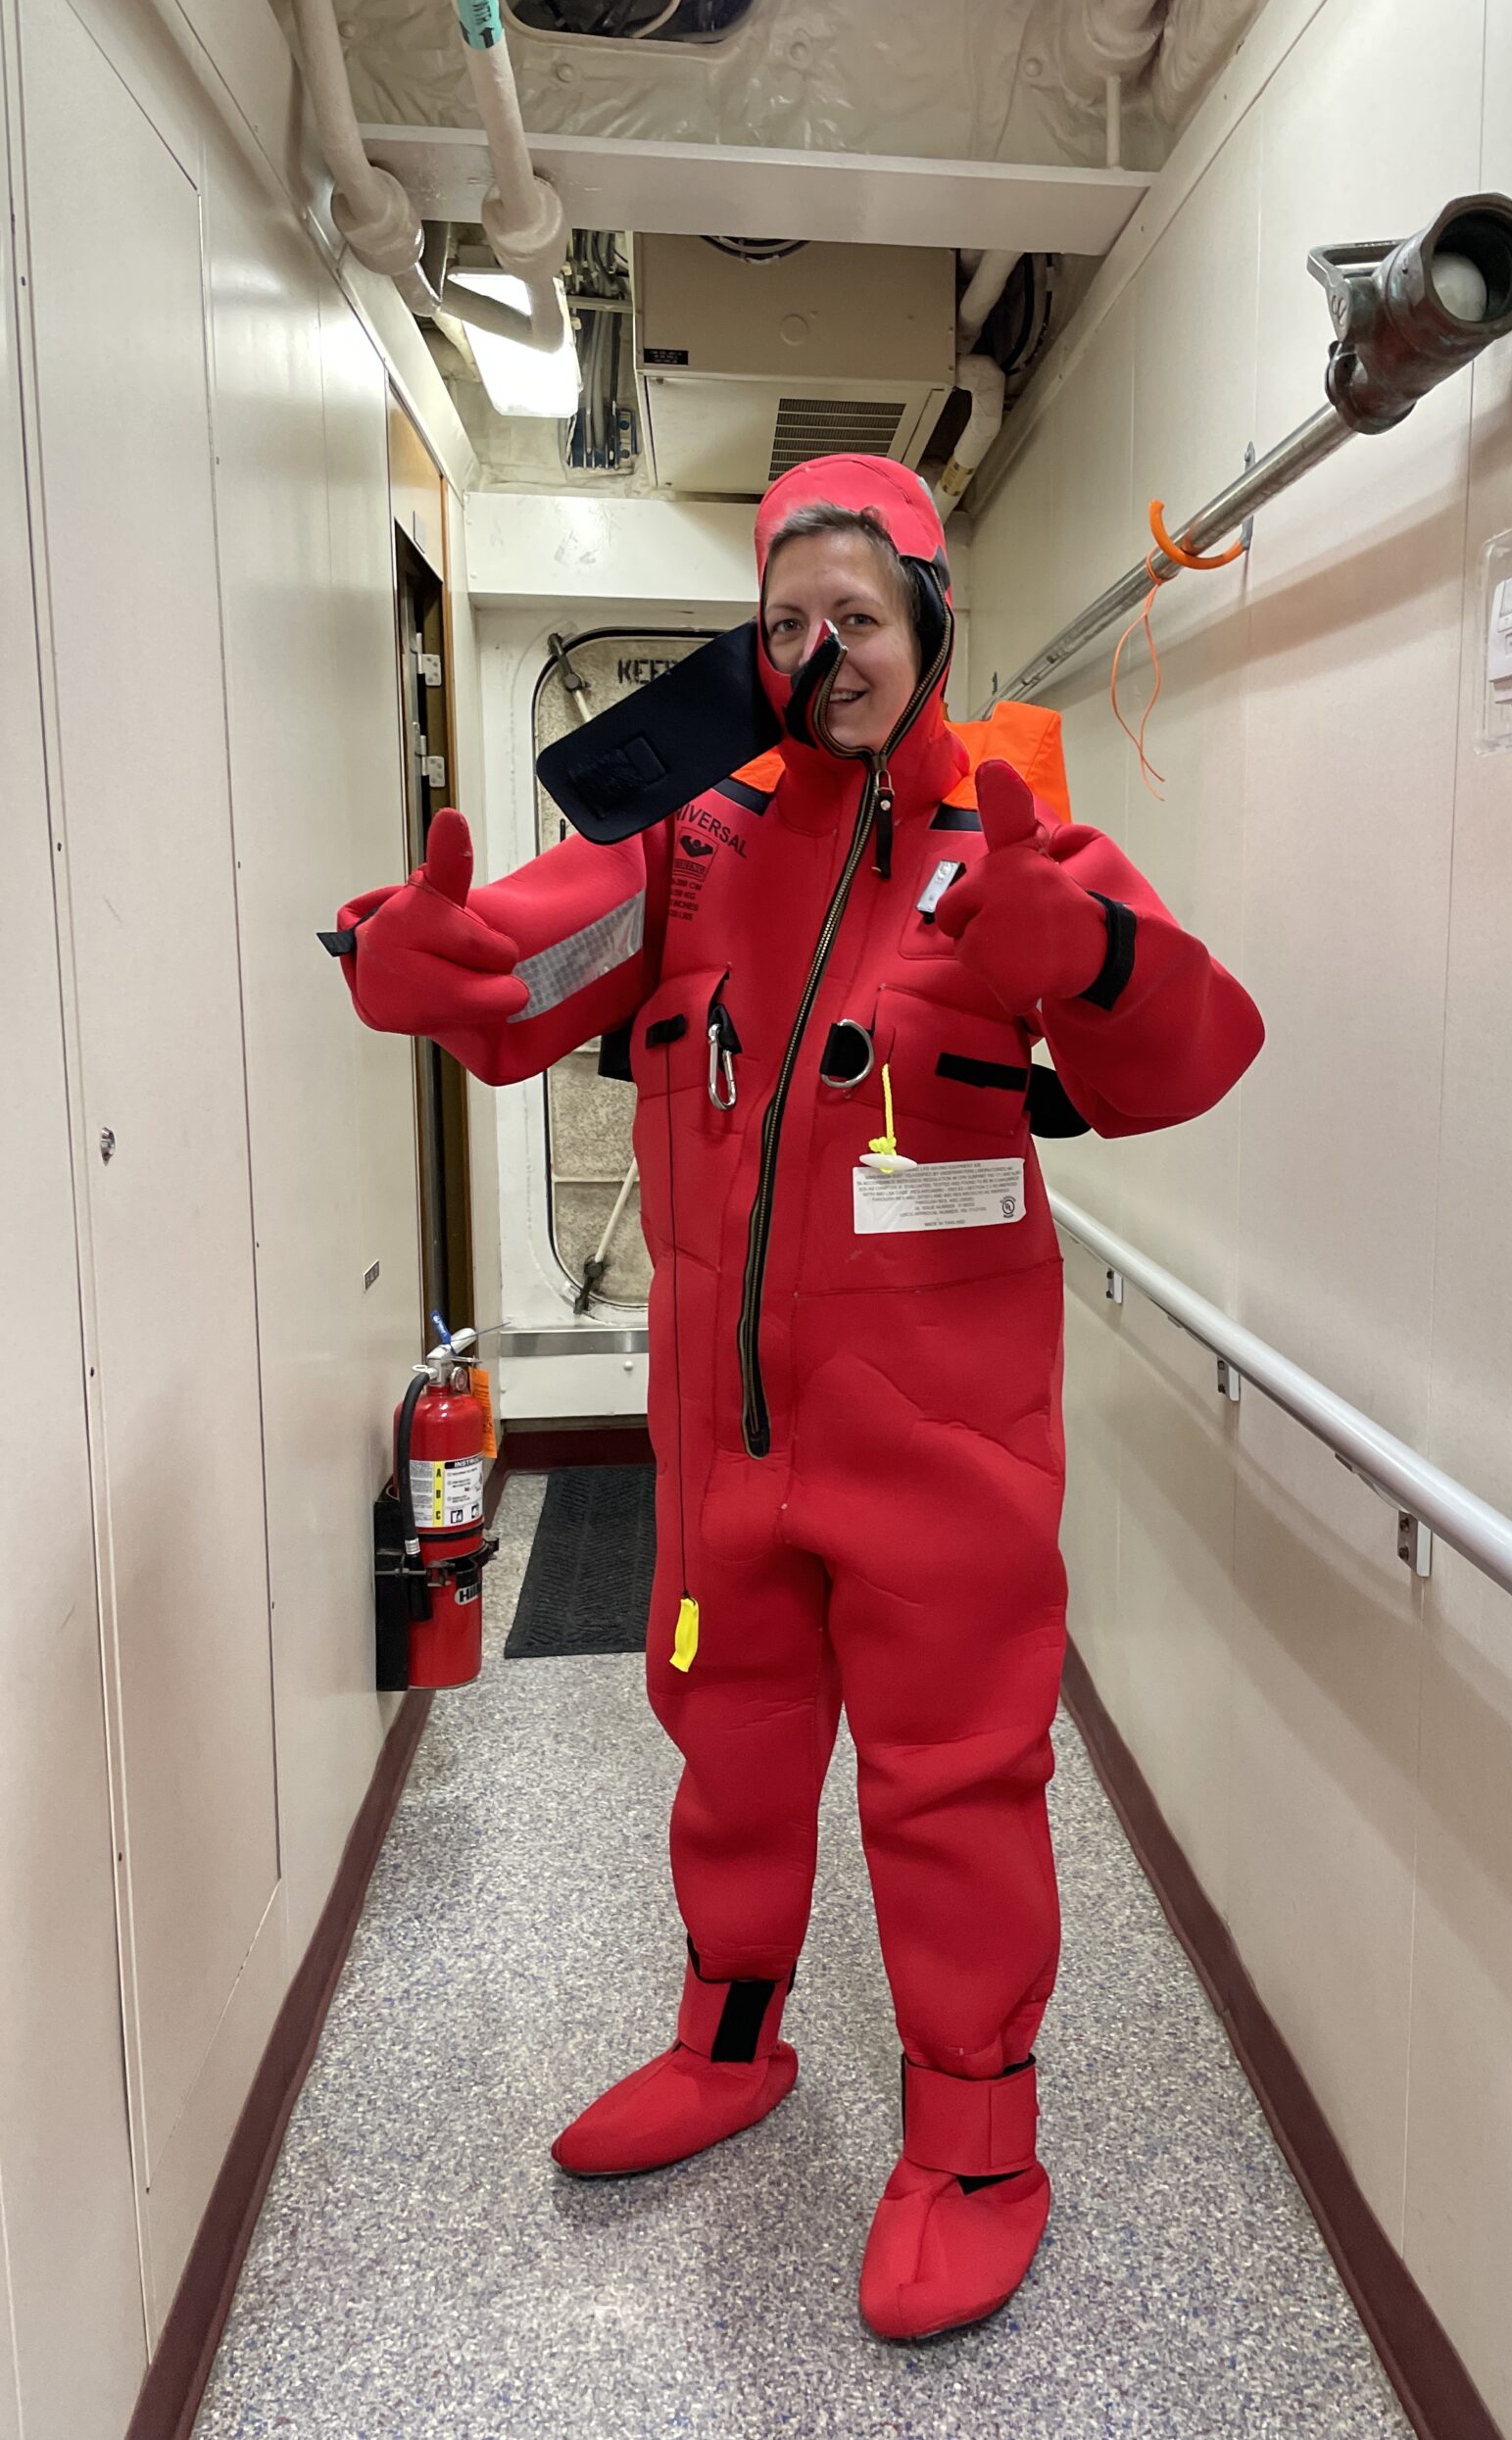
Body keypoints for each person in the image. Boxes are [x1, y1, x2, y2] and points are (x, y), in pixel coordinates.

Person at [332, 455, 1264, 2340]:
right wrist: (437, 965)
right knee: (730, 1749)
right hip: (722, 1457)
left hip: (945, 1454)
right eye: (785, 621)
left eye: (857, 615)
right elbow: (529, 971)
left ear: (927, 620)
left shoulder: (1004, 839)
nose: (821, 650)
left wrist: (1068, 950)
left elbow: (1194, 1042)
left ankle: (981, 2147)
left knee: (955, 1790)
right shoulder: (688, 846)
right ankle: (732, 2041)